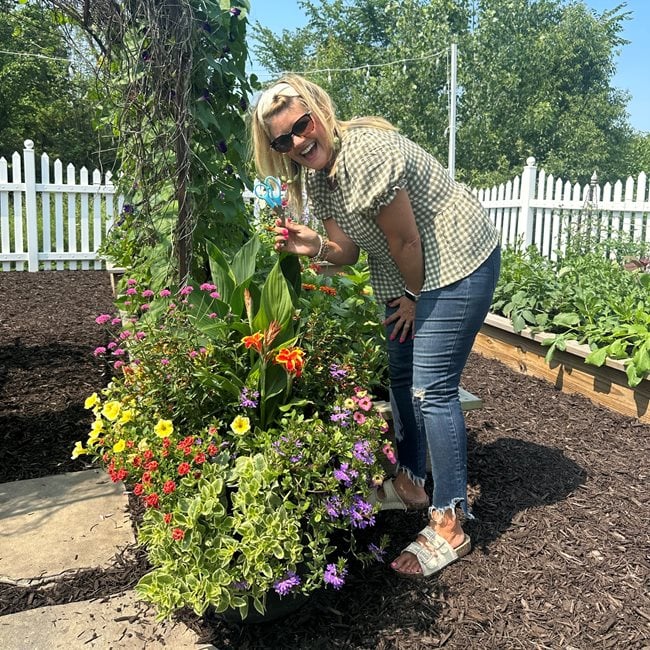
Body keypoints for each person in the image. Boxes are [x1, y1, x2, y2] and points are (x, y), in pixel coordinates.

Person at [250, 74, 501, 578]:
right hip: (408, 273)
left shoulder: (364, 153)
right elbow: (347, 250)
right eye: (284, 139)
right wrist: (313, 246)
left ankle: (451, 522)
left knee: (433, 389)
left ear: (318, 110)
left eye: (302, 125)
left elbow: (408, 243)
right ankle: (411, 478)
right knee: (400, 374)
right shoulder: (319, 178)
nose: (298, 142)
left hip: (456, 263)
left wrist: (412, 298)